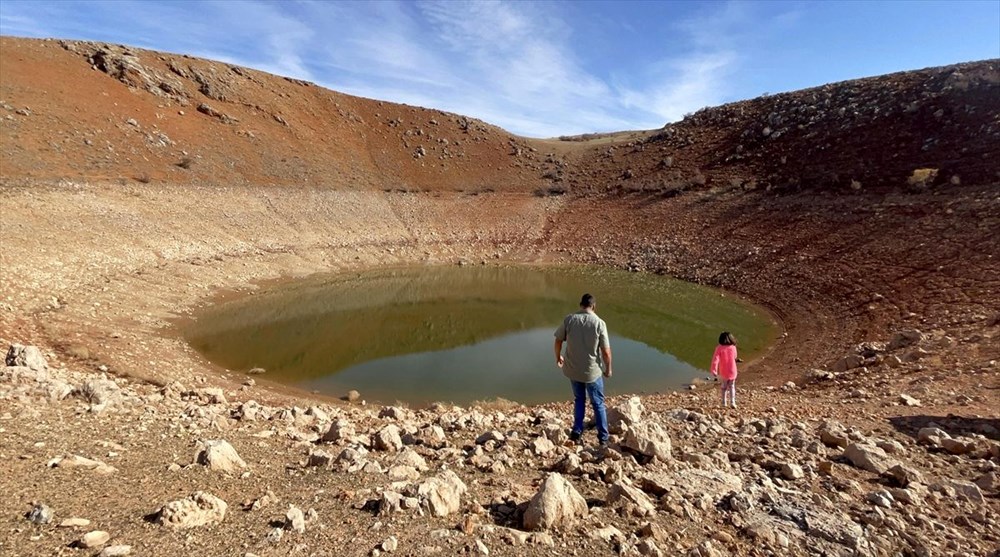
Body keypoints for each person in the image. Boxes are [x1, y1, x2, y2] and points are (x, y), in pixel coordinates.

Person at [554, 293, 612, 447]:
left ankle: (576, 432)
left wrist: (558, 356)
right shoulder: (599, 323)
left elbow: (558, 339)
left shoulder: (570, 319)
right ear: (594, 306)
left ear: (580, 305)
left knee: (579, 399)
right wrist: (608, 369)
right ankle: (603, 439)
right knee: (598, 403)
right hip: (592, 372)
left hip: (574, 370)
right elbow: (606, 352)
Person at [710, 331, 739, 408]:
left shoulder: (719, 348)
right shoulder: (733, 347)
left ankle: (724, 402)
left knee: (724, 387)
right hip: (733, 370)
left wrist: (714, 370)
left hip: (724, 371)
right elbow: (735, 357)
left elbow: (715, 360)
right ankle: (733, 402)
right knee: (732, 386)